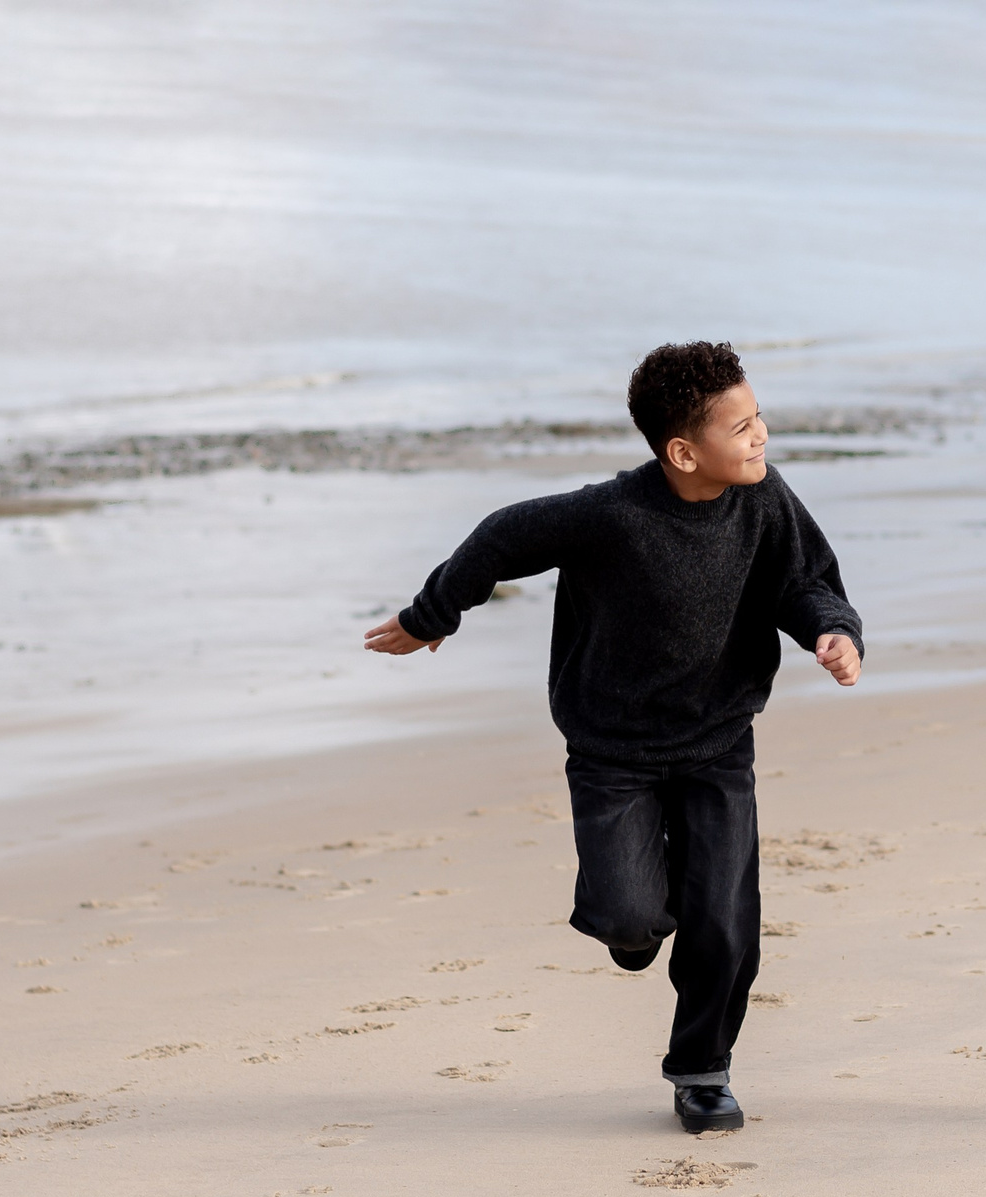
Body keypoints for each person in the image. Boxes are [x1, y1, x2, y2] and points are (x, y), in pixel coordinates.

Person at [364, 341, 864, 1133]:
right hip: (612, 752)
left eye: (759, 416)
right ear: (683, 451)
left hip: (717, 741)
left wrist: (831, 633)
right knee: (633, 918)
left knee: (726, 918)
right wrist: (433, 616)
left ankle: (704, 1071)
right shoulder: (611, 516)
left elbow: (804, 583)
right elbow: (499, 538)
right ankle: (633, 913)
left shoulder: (765, 503)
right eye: (743, 426)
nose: (762, 435)